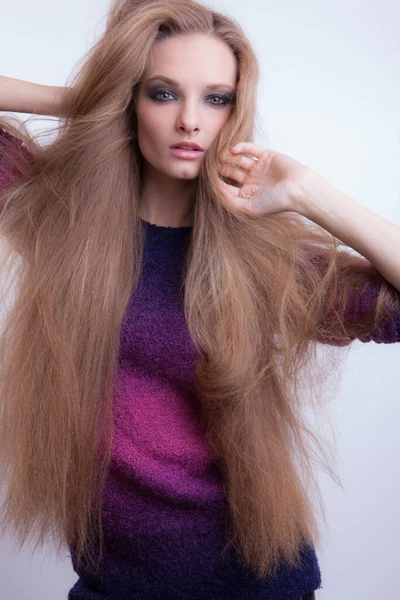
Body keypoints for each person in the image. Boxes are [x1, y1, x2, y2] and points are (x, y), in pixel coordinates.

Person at [0, 0, 399, 598]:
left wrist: (312, 194)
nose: (190, 120)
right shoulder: (63, 227)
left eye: (217, 98)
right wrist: (91, 100)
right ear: (130, 98)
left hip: (253, 581)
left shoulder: (261, 255)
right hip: (112, 582)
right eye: (162, 93)